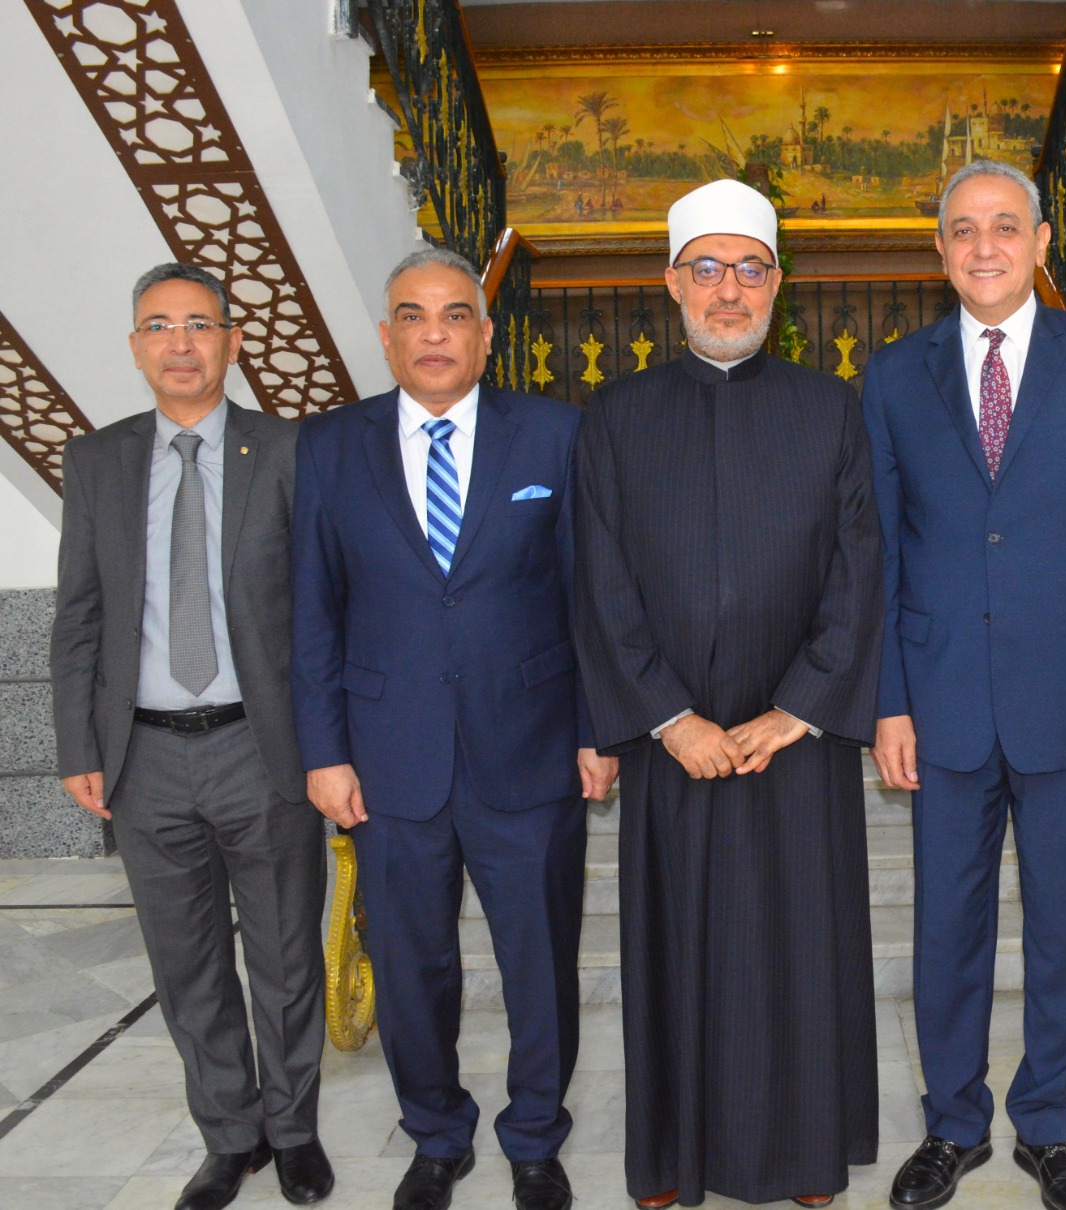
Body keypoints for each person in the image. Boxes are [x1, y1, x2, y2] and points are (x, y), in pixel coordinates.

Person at [862, 159, 1066, 1210]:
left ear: (1041, 243)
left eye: (1004, 226)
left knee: (1065, 924)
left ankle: (1047, 1124)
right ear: (939, 250)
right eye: (963, 229)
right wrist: (888, 700)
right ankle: (953, 1124)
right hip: (940, 697)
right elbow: (881, 553)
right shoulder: (894, 375)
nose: (983, 245)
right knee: (946, 930)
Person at [571, 177, 883, 1209]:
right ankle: (671, 1159)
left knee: (799, 953)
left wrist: (798, 708)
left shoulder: (831, 410)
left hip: (793, 743)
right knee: (677, 953)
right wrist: (667, 717)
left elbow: (859, 572)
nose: (728, 289)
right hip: (678, 746)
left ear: (777, 283)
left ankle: (804, 1159)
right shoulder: (615, 417)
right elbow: (598, 578)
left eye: (749, 268)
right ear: (672, 284)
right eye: (705, 268)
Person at [291, 247, 616, 1210]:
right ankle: (436, 1135)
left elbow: (590, 597)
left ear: (485, 334)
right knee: (410, 966)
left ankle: (535, 1138)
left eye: (455, 315)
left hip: (533, 753)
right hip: (388, 762)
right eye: (413, 316)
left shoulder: (555, 435)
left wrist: (596, 731)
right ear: (387, 336)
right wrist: (324, 752)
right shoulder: (330, 446)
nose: (434, 334)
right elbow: (312, 614)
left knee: (538, 965)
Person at [51, 262, 333, 1210]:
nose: (180, 344)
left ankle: (293, 1131)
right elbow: (79, 614)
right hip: (143, 757)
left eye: (199, 325)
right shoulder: (96, 461)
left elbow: (327, 606)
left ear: (232, 342)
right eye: (160, 327)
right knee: (186, 962)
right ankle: (230, 1136)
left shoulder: (289, 450)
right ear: (136, 347)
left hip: (264, 747)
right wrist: (78, 746)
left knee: (286, 956)